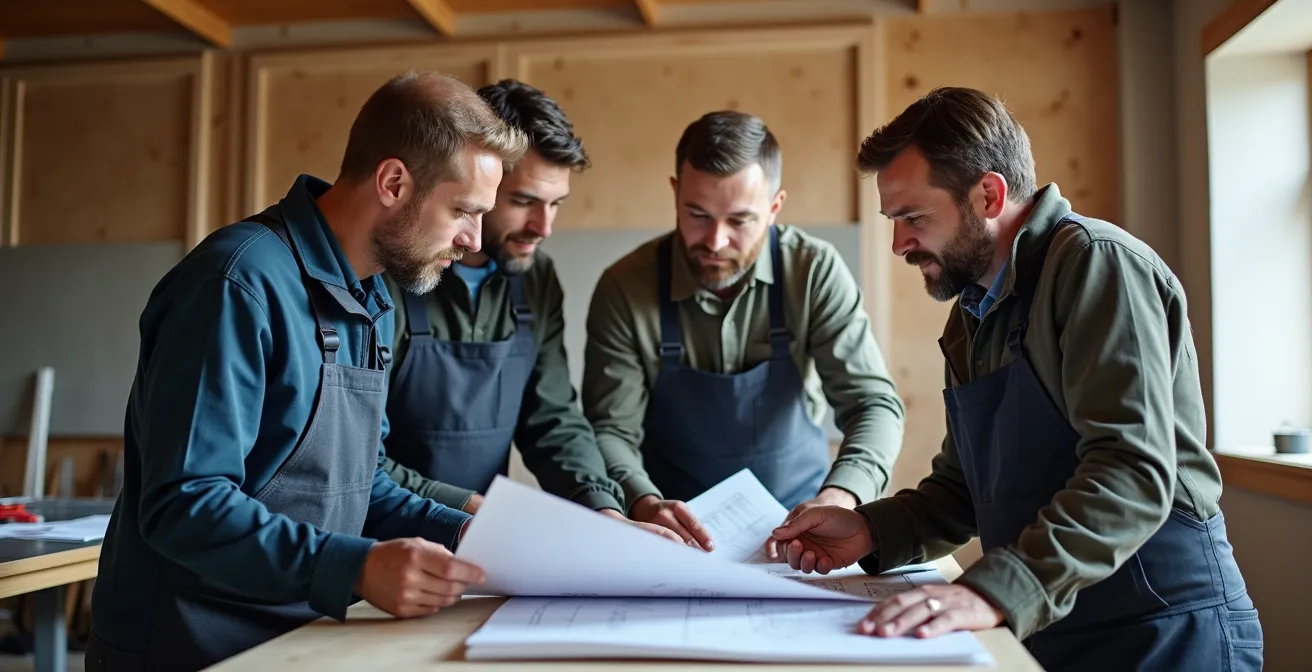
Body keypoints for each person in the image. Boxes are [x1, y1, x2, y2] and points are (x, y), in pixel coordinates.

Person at [768, 87, 1262, 671]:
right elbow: (965, 489)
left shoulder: (1098, 264)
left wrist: (991, 589)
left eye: (913, 217)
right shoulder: (972, 311)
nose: (899, 242)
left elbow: (1132, 469)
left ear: (988, 194)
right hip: (1053, 626)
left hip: (1162, 630)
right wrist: (870, 529)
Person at [86, 72, 528, 671]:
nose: (474, 240)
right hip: (187, 646)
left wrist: (491, 541)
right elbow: (184, 503)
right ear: (394, 182)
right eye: (462, 211)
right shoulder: (235, 285)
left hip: (295, 637)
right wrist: (355, 568)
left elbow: (359, 484)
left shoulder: (373, 299)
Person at [583, 110, 907, 550]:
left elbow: (873, 404)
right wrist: (643, 503)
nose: (715, 241)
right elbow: (609, 429)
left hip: (802, 526)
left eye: (739, 221)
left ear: (774, 208)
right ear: (676, 193)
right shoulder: (624, 287)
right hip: (671, 535)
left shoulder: (813, 271)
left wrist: (841, 496)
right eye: (697, 214)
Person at [375, 78, 681, 544]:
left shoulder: (535, 280)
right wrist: (492, 512)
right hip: (384, 538)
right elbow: (361, 461)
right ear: (483, 179)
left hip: (478, 541)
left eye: (556, 205)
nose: (544, 227)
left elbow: (553, 419)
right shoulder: (390, 278)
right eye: (523, 202)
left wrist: (602, 509)